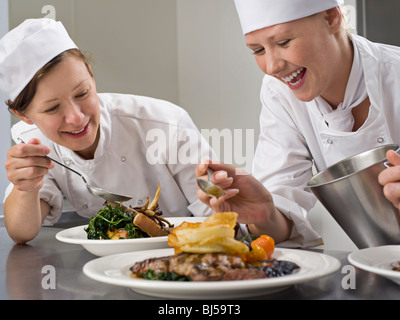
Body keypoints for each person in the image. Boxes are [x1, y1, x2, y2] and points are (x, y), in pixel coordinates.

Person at [196, 0, 400, 247]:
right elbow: (281, 215)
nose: (272, 67)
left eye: (283, 43)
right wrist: (265, 213)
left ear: (331, 18)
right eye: (258, 50)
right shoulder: (279, 94)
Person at [1, 18, 214, 244]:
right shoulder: (35, 144)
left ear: (91, 75)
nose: (76, 117)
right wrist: (26, 188)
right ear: (23, 115)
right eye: (53, 108)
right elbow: (22, 232)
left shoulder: (166, 125)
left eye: (82, 93)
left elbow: (221, 216)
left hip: (186, 248)